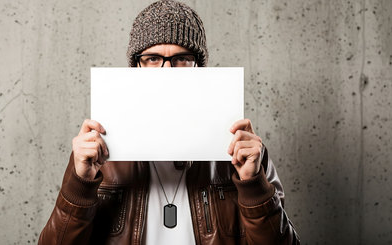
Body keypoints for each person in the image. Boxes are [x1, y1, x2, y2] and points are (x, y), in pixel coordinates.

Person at [39, 0, 300, 244]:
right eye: (152, 59)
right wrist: (80, 185)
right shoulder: (99, 152)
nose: (167, 70)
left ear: (199, 67)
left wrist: (253, 184)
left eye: (181, 59)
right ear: (136, 68)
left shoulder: (243, 152)